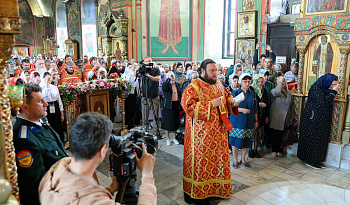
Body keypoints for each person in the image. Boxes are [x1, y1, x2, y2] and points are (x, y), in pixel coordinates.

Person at [39, 112, 157, 204]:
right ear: (102, 150)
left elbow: (80, 195)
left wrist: (110, 189)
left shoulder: (57, 169)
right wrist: (147, 174)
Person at [181, 59, 239, 204]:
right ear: (202, 71)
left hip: (218, 134)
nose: (216, 73)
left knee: (217, 164)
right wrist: (211, 104)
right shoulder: (194, 87)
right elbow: (187, 106)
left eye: (216, 70)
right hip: (201, 137)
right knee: (202, 165)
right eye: (212, 71)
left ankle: (216, 191)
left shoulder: (218, 84)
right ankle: (199, 195)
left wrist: (232, 101)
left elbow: (226, 95)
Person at [13, 83, 68, 205]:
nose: (46, 104)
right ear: (25, 106)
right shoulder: (24, 138)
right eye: (40, 101)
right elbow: (37, 183)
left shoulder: (38, 121)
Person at [298, 73, 340, 169]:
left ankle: (317, 160)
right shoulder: (315, 88)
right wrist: (334, 92)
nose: (331, 86)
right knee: (313, 139)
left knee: (320, 140)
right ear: (327, 81)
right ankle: (310, 160)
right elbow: (324, 103)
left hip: (321, 121)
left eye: (334, 85)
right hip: (313, 120)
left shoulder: (323, 90)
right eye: (332, 84)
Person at [229, 73, 258, 168]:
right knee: (236, 141)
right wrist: (242, 110)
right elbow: (230, 107)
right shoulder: (235, 93)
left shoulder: (252, 93)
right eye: (245, 81)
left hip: (249, 120)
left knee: (246, 140)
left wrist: (256, 120)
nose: (247, 84)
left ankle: (243, 159)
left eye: (249, 82)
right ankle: (235, 159)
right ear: (241, 82)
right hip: (237, 120)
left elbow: (255, 108)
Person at [268, 76, 294, 157]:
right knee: (274, 134)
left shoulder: (289, 93)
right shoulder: (274, 91)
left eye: (283, 81)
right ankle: (274, 149)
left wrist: (291, 117)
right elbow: (276, 93)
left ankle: (279, 149)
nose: (282, 83)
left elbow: (291, 106)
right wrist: (279, 83)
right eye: (280, 81)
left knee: (281, 134)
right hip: (276, 117)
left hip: (285, 117)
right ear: (277, 83)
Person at [40, 72, 65, 142]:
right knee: (50, 123)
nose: (48, 79)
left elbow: (59, 100)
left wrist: (62, 112)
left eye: (49, 78)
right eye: (46, 78)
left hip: (55, 105)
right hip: (47, 106)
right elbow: (45, 95)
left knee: (57, 122)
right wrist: (47, 85)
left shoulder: (54, 87)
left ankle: (60, 139)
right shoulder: (41, 87)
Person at [249, 74, 269, 158]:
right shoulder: (251, 89)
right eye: (258, 81)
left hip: (262, 115)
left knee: (259, 134)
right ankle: (250, 150)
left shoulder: (264, 90)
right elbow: (250, 102)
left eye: (261, 81)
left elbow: (267, 102)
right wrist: (258, 104)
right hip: (253, 115)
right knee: (252, 134)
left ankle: (255, 149)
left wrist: (266, 115)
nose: (260, 83)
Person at [161, 71, 181, 146]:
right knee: (167, 123)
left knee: (174, 122)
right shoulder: (166, 84)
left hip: (175, 104)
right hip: (168, 105)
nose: (172, 77)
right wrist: (168, 79)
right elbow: (164, 89)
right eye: (170, 76)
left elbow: (180, 92)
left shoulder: (177, 84)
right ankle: (168, 138)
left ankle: (174, 138)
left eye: (173, 76)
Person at [141, 57, 160, 127]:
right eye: (147, 61)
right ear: (144, 63)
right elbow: (135, 75)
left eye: (150, 61)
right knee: (144, 117)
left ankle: (156, 133)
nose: (148, 62)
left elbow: (158, 79)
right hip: (145, 96)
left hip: (154, 96)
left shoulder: (156, 70)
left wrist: (149, 76)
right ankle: (145, 132)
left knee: (155, 117)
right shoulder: (143, 70)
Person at [121, 65, 137, 129]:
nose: (131, 69)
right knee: (128, 109)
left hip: (133, 93)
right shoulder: (123, 75)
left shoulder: (133, 74)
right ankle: (128, 123)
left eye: (132, 67)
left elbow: (134, 83)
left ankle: (132, 122)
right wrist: (130, 75)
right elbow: (127, 82)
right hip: (127, 94)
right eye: (129, 67)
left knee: (133, 109)